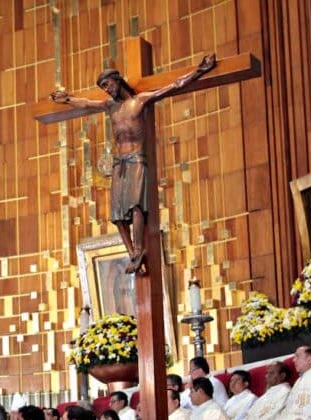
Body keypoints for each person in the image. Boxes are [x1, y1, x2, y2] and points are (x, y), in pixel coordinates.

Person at [51, 55, 216, 273]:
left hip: (137, 159)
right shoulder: (110, 107)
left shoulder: (139, 101)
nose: (106, 90)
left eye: (107, 84)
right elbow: (86, 103)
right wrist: (67, 99)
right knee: (117, 215)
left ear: (117, 80)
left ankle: (139, 250)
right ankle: (132, 255)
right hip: (119, 164)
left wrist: (199, 71)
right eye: (102, 87)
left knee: (136, 206)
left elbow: (174, 86)